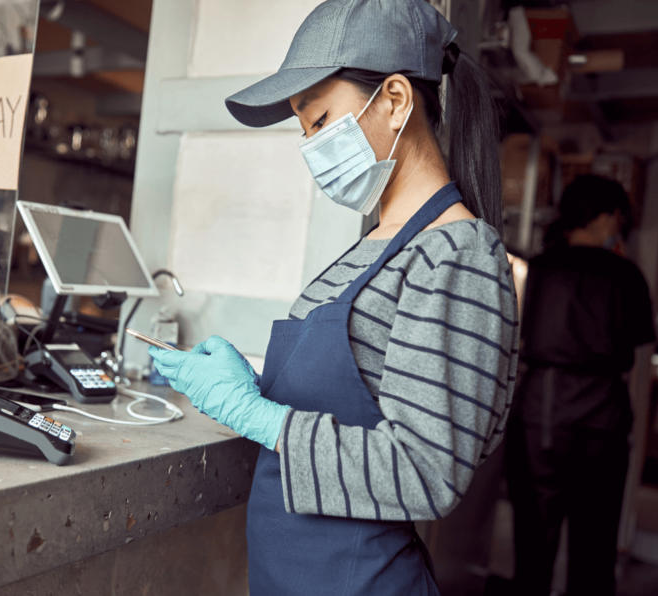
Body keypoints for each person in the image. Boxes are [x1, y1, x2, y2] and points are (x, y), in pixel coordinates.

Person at [148, 1, 519, 593]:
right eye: (303, 128)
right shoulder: (375, 245)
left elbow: (426, 472)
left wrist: (257, 415)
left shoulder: (456, 255)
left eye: (319, 120)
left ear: (395, 100)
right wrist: (254, 381)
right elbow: (355, 395)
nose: (309, 146)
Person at [506, 174, 655, 596]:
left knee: (532, 543)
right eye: (617, 219)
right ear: (605, 217)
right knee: (595, 544)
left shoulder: (537, 269)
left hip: (541, 414)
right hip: (603, 420)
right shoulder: (628, 277)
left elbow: (514, 342)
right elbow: (638, 366)